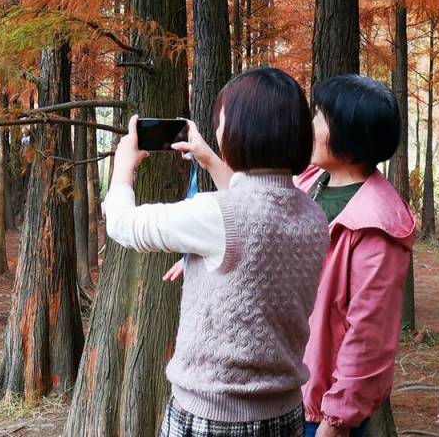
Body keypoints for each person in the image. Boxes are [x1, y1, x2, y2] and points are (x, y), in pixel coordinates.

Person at [104, 68, 330, 437]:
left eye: (222, 120)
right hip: (286, 413)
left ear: (240, 131)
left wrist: (122, 168)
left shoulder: (220, 215)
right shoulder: (310, 213)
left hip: (213, 416)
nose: (218, 128)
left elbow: (123, 224)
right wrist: (209, 159)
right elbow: (255, 211)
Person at [297, 75, 416, 437]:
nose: (310, 124)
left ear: (348, 134)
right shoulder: (308, 181)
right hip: (284, 390)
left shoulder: (377, 223)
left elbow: (368, 336)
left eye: (320, 116)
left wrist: (336, 420)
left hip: (319, 413)